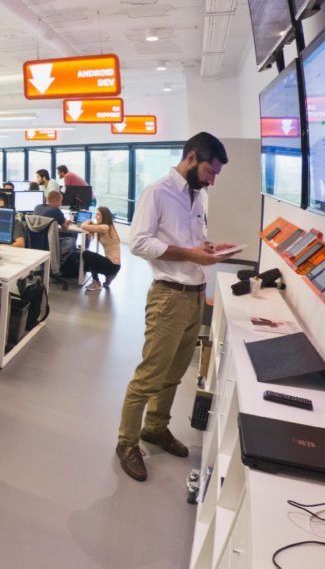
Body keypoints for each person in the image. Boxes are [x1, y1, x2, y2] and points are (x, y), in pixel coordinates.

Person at [116, 132, 233, 483]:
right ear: (192, 157)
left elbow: (186, 242)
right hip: (169, 298)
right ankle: (126, 442)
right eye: (210, 172)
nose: (213, 180)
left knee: (174, 375)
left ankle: (155, 428)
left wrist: (206, 248)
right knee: (149, 375)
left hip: (196, 295)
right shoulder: (159, 192)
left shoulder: (197, 195)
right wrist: (190, 254)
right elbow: (138, 242)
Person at [80, 206, 121, 291]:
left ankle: (96, 282)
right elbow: (94, 227)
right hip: (114, 265)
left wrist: (88, 220)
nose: (96, 216)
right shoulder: (108, 226)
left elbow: (83, 226)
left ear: (104, 216)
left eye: (98, 215)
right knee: (90, 258)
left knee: (86, 254)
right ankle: (109, 276)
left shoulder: (104, 228)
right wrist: (92, 228)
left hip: (111, 265)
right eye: (96, 214)